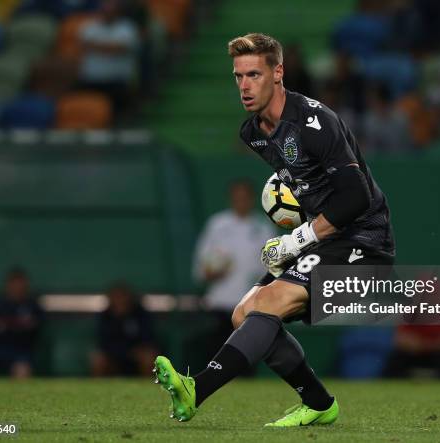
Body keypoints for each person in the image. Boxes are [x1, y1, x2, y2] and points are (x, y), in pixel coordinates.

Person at [153, 33, 395, 427]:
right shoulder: (253, 134)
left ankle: (196, 388)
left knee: (265, 306)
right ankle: (318, 402)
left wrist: (298, 239)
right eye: (238, 76)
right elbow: (312, 187)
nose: (244, 86)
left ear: (278, 73)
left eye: (254, 74)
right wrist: (297, 229)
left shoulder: (316, 123)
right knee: (244, 312)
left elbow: (356, 199)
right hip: (326, 239)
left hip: (363, 243)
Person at [192, 181, 275, 369]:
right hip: (219, 305)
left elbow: (271, 269)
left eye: (245, 197)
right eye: (237, 197)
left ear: (252, 199)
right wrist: (211, 272)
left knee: (245, 359)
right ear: (231, 199)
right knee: (216, 356)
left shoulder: (263, 228)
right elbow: (200, 269)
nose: (241, 201)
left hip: (249, 306)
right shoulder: (217, 225)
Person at [78, 0, 140, 111]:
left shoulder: (127, 28)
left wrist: (95, 45)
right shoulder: (90, 26)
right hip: (91, 81)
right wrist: (109, 46)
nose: (108, 13)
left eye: (111, 11)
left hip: (117, 82)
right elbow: (83, 44)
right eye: (105, 10)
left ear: (118, 12)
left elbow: (119, 49)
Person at [91, 282, 157, 377]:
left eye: (122, 297)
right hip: (114, 355)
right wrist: (124, 352)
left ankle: (148, 386)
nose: (120, 300)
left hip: (137, 355)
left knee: (149, 356)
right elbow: (103, 342)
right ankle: (98, 388)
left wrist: (136, 351)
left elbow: (148, 338)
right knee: (98, 359)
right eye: (116, 297)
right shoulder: (105, 316)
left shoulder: (140, 314)